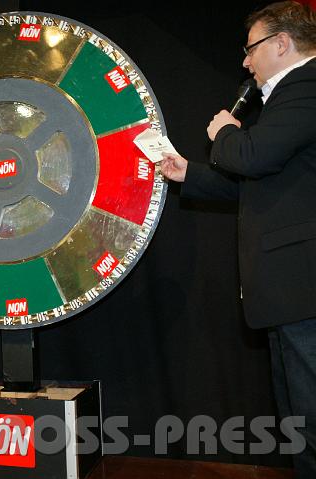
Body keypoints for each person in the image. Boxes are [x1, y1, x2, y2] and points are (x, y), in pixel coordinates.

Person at [160, 2, 316, 477]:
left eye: (250, 49)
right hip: (291, 292)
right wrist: (189, 173)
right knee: (299, 419)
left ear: (281, 43)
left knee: (310, 416)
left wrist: (226, 132)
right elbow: (258, 180)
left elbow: (253, 157)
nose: (246, 63)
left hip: (304, 287)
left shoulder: (306, 85)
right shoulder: (291, 94)